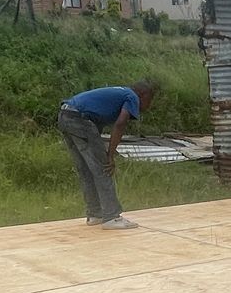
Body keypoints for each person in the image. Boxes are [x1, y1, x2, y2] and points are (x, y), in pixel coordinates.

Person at [57, 81, 157, 229]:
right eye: (149, 101)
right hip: (79, 119)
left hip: (65, 115)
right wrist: (109, 156)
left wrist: (107, 149)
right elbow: (121, 123)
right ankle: (111, 217)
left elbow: (96, 126)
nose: (149, 106)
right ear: (143, 95)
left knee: (87, 170)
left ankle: (95, 214)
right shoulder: (131, 96)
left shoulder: (118, 95)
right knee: (104, 167)